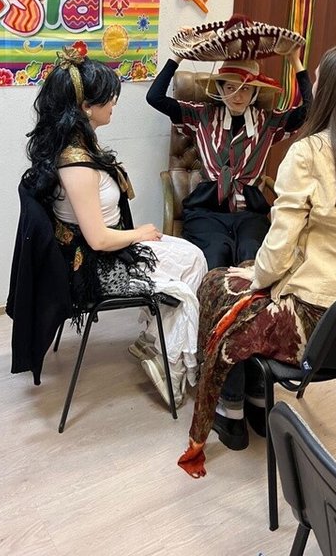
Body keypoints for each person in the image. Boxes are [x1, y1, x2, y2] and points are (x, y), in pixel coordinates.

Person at [177, 43, 336, 478]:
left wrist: (257, 279)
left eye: (318, 79)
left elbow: (276, 254)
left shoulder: (309, 154)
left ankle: (230, 411)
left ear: (330, 91)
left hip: (316, 324)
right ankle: (258, 400)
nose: (313, 86)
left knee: (217, 286)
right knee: (240, 280)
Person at [23, 47, 207, 408]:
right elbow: (98, 238)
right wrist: (141, 233)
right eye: (109, 97)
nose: (114, 103)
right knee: (190, 266)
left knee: (192, 256)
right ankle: (164, 357)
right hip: (97, 266)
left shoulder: (79, 145)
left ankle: (154, 340)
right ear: (85, 107)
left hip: (102, 251)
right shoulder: (76, 164)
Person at [146, 23, 312, 270]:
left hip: (249, 214)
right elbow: (154, 97)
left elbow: (309, 110)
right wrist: (178, 56)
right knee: (216, 253)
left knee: (251, 256)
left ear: (254, 93)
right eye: (231, 87)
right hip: (206, 212)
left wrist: (294, 60)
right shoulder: (201, 115)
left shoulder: (268, 122)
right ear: (221, 89)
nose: (238, 95)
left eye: (246, 89)